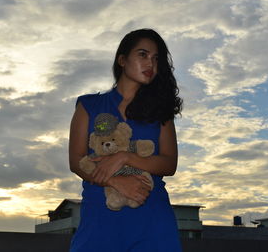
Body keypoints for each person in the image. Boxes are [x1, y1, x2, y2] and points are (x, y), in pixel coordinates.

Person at [68, 28, 183, 252]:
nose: (150, 63)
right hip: (100, 220)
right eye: (142, 54)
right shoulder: (88, 106)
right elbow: (76, 160)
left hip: (152, 220)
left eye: (155, 58)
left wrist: (124, 157)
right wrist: (115, 181)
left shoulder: (160, 112)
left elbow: (169, 164)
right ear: (122, 59)